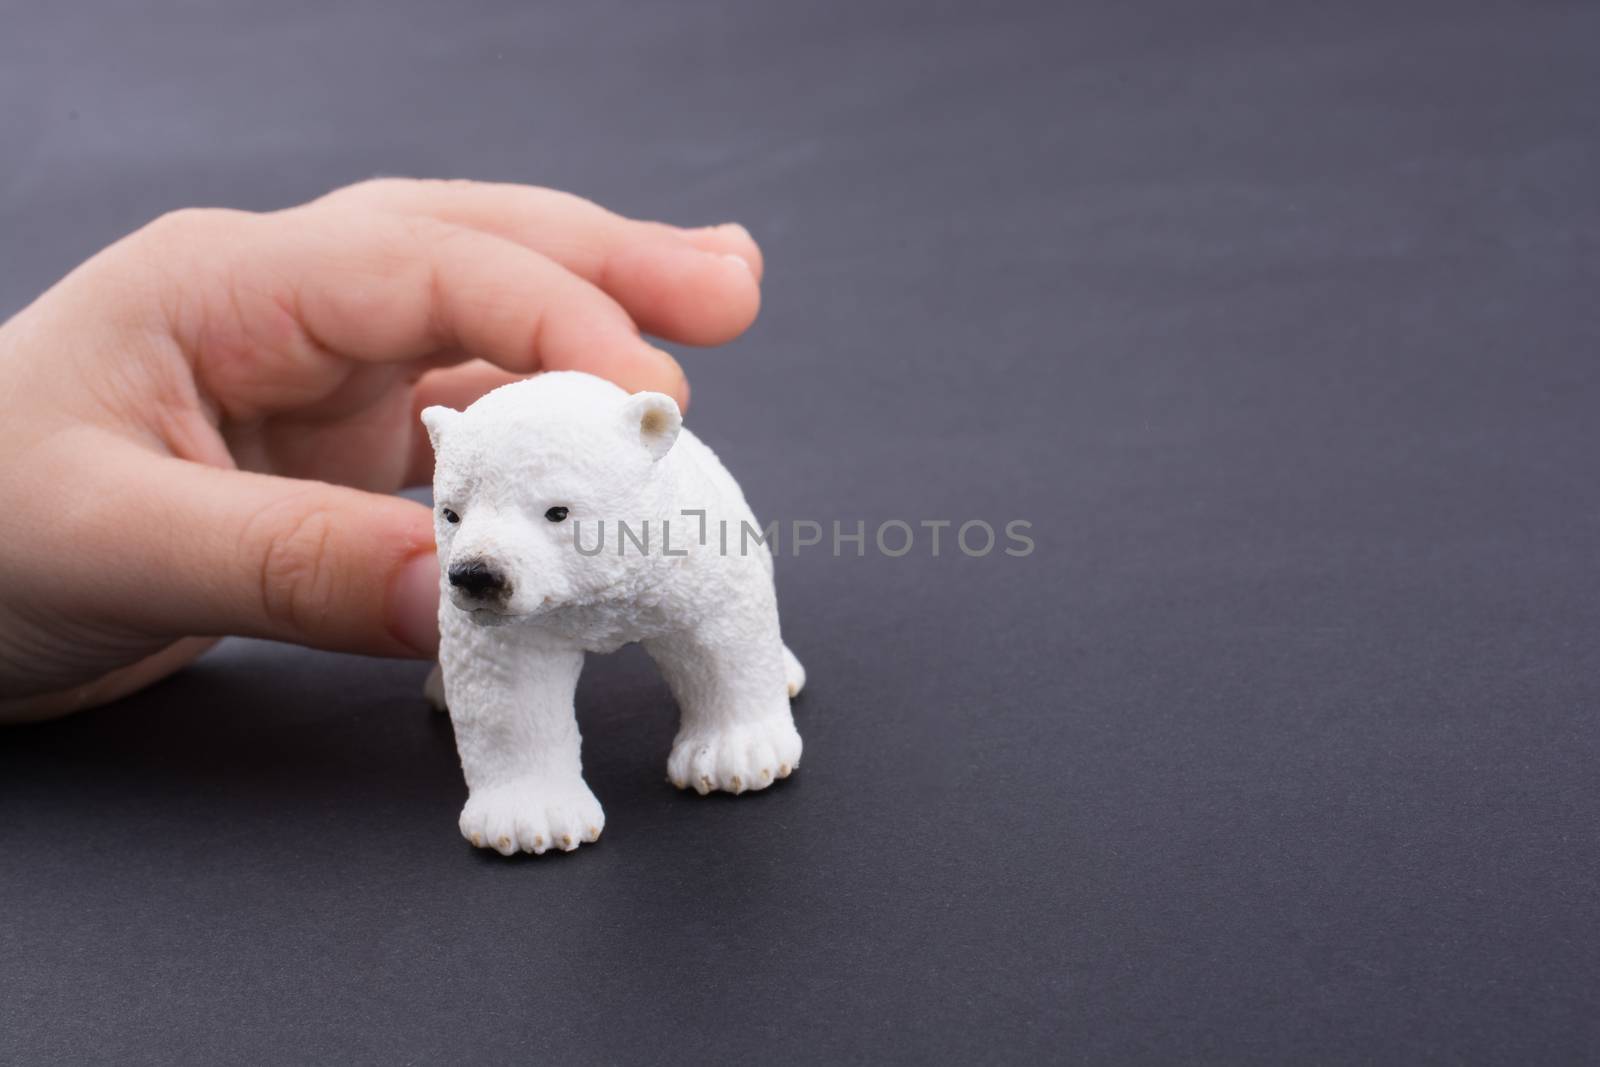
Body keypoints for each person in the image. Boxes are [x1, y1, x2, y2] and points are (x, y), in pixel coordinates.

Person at [0, 178, 764, 722]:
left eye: (557, 510)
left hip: (675, 548)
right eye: (456, 511)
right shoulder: (471, 526)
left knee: (722, 625)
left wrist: (745, 704)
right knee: (502, 663)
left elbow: (729, 600)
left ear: (651, 439)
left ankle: (745, 700)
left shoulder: (679, 500)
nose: (474, 555)